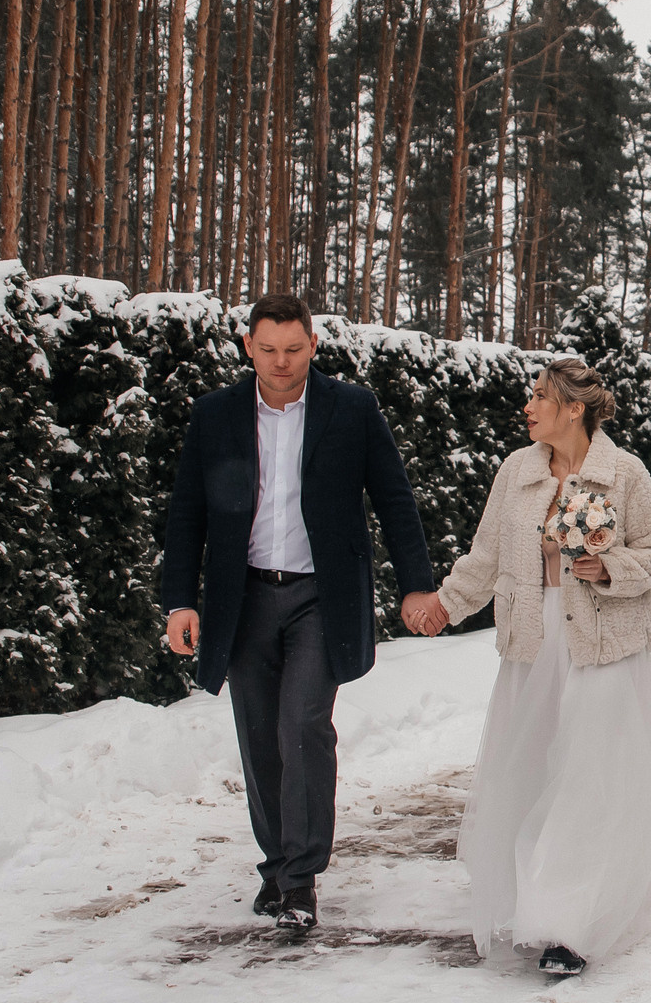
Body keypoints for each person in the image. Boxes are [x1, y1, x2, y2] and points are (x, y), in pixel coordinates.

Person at [160, 292, 441, 935]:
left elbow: (395, 499)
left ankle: (301, 880)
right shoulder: (215, 416)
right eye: (268, 351)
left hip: (322, 596)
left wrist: (417, 586)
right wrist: (180, 600)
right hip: (246, 597)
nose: (281, 363)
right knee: (259, 734)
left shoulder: (351, 409)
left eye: (293, 350)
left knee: (302, 723)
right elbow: (186, 515)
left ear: (313, 346)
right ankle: (276, 865)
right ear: (247, 348)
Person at [401, 359, 651, 977]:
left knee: (589, 775)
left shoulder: (624, 473)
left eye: (538, 396)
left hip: (604, 643)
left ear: (573, 408)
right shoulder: (516, 473)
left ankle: (569, 927)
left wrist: (611, 570)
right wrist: (445, 606)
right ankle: (534, 895)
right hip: (533, 638)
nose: (526, 406)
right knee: (530, 766)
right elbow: (486, 557)